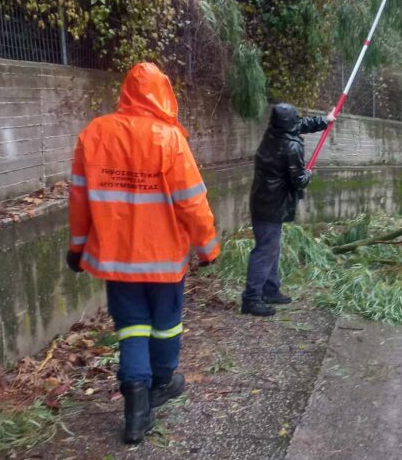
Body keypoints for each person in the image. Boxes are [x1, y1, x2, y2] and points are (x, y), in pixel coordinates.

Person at [66, 63, 220, 444]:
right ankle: (162, 384)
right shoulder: (169, 138)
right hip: (164, 258)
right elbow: (192, 202)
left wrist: (77, 246)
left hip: (117, 260)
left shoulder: (94, 134)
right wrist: (208, 248)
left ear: (126, 93)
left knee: (131, 326)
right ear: (164, 94)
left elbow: (79, 199)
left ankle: (136, 413)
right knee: (166, 323)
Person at [242, 103, 335, 316]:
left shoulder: (273, 132)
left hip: (262, 200)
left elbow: (298, 126)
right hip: (272, 204)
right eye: (295, 118)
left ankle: (271, 290)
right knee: (265, 250)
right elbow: (299, 180)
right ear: (289, 122)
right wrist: (309, 173)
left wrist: (324, 120)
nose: (298, 121)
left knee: (271, 247)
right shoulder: (290, 146)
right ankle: (251, 298)